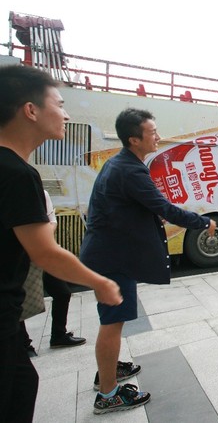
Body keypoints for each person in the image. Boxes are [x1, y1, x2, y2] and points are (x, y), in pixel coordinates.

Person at [0, 64, 122, 423]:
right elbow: (44, 252)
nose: (66, 113)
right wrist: (100, 282)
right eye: (59, 103)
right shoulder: (18, 174)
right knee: (17, 391)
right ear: (31, 110)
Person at [80, 108, 217, 415]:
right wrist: (201, 221)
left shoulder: (120, 163)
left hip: (109, 252)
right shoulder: (129, 171)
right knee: (112, 323)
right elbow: (164, 208)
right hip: (113, 258)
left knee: (113, 320)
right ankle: (108, 394)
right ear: (134, 139)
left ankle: (108, 371)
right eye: (152, 132)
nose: (158, 136)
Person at [20, 190, 87, 357]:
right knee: (18, 299)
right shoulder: (14, 197)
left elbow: (52, 222)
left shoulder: (43, 195)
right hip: (20, 255)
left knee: (62, 292)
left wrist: (41, 242)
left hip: (45, 251)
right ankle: (24, 344)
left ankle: (58, 335)